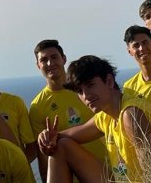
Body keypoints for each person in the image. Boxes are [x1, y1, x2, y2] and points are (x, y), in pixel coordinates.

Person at [37, 56, 151, 183]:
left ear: (109, 81)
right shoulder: (107, 115)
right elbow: (78, 132)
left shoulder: (131, 114)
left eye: (90, 85)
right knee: (61, 146)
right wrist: (48, 138)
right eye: (79, 91)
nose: (86, 96)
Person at [27, 39, 107, 182]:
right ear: (38, 65)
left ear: (63, 59)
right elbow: (45, 158)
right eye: (44, 60)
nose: (50, 63)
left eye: (54, 57)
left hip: (107, 170)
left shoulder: (84, 90)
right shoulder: (37, 107)